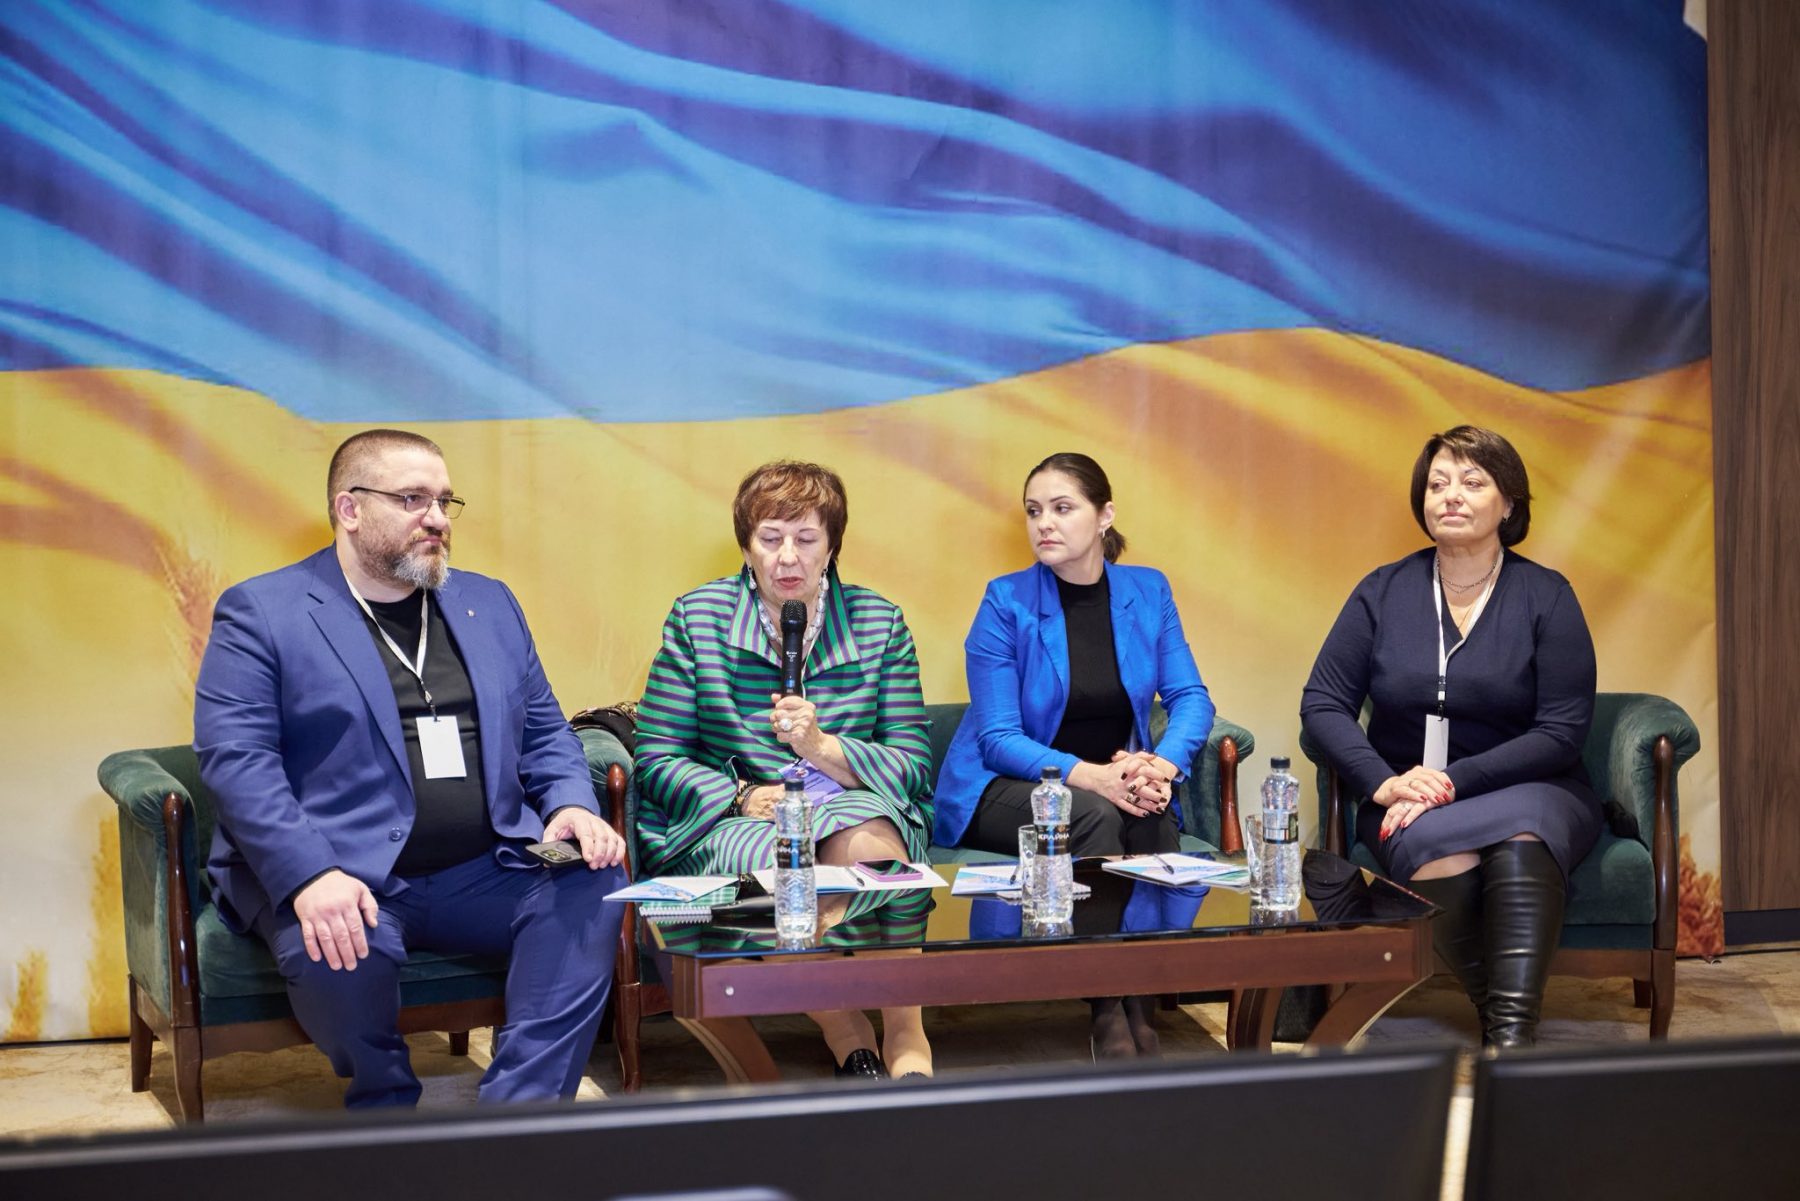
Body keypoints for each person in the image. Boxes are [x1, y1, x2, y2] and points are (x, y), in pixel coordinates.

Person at [194, 429, 627, 1106]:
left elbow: (545, 730)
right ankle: (387, 1107)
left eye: (445, 501)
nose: (437, 518)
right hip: (344, 870)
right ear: (349, 508)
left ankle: (522, 1118)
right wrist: (309, 875)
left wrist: (570, 803)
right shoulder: (264, 611)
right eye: (412, 499)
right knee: (334, 946)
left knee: (592, 882)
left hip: (485, 866)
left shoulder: (490, 604)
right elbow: (237, 763)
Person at [1300, 425, 1599, 1049]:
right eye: (1438, 484)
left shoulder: (1546, 595)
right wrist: (1385, 784)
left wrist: (1450, 784)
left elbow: (1561, 731)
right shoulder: (1382, 591)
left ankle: (1510, 1043)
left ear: (1508, 503)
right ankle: (1503, 1018)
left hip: (1531, 786)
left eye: (1472, 482)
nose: (1451, 496)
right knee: (1438, 850)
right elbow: (1322, 703)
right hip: (1407, 795)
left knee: (1522, 837)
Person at [634, 460, 935, 1079]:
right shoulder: (698, 617)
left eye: (807, 538)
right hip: (735, 817)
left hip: (849, 802)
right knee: (778, 865)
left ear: (833, 546)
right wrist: (742, 795)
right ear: (747, 546)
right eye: (770, 538)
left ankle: (906, 1029)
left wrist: (823, 748)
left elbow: (911, 765)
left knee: (875, 844)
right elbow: (657, 756)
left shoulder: (879, 622)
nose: (788, 558)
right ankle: (845, 1027)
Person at [934, 452, 1216, 1058]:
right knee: (1093, 813)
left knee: (1150, 814)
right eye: (1034, 511)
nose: (1044, 523)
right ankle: (1110, 1005)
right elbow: (999, 738)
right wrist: (1097, 778)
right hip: (1002, 786)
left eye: (1062, 508)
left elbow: (1191, 697)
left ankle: (1138, 1000)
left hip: (1112, 779)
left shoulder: (1148, 590)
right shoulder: (1005, 601)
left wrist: (1160, 766)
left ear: (1104, 515)